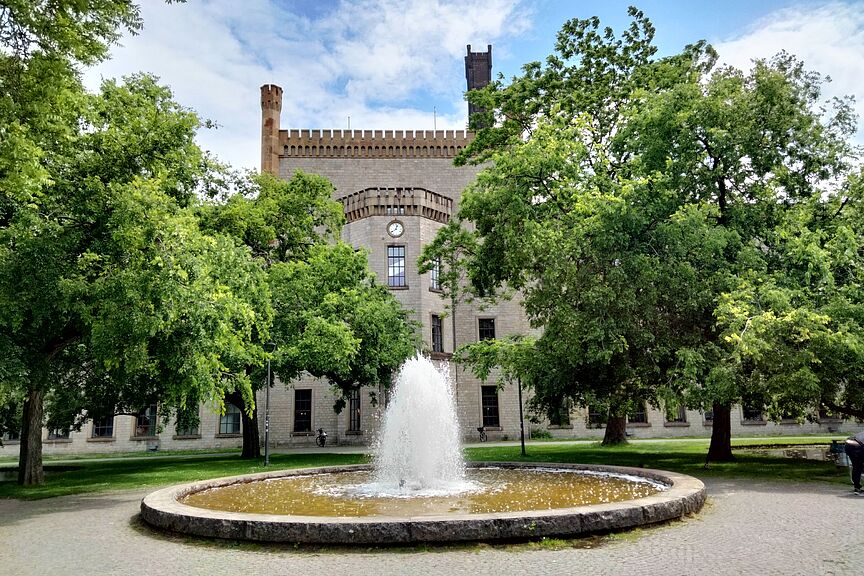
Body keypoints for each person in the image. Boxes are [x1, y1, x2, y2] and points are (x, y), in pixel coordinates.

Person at [845, 431, 864, 495]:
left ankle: (857, 487)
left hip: (849, 444)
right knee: (858, 467)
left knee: (857, 467)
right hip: (858, 446)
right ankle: (857, 486)